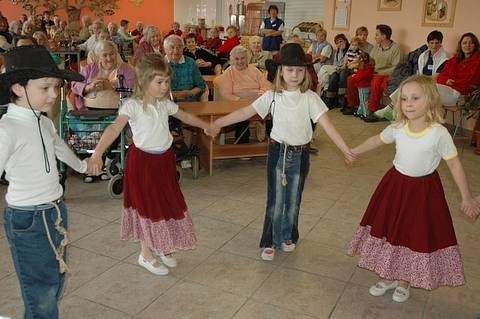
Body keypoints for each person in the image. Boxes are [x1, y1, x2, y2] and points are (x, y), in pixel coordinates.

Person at [212, 43, 356, 260]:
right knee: (276, 198)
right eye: (289, 69)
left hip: (301, 154)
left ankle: (288, 235)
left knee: (293, 198)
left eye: (299, 70)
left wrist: (346, 149)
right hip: (278, 152)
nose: (295, 74)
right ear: (280, 71)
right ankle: (269, 240)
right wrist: (219, 122)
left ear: (305, 72)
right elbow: (245, 111)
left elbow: (327, 124)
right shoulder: (272, 96)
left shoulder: (310, 98)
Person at [347, 74, 480, 303]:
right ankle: (388, 275)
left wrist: (466, 197)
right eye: (404, 98)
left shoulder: (439, 133)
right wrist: (356, 150)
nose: (408, 103)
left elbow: (455, 165)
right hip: (395, 187)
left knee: (412, 233)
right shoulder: (398, 127)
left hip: (423, 192)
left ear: (429, 100)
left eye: (415, 98)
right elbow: (377, 140)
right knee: (390, 229)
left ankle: (404, 280)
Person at [88, 53, 218, 275]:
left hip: (164, 161)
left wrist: (205, 125)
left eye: (167, 81)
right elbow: (113, 129)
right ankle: (145, 254)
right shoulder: (133, 106)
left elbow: (185, 117)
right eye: (159, 82)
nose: (164, 86)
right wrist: (97, 153)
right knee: (147, 207)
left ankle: (161, 246)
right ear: (143, 81)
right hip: (143, 164)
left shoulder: (164, 103)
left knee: (165, 203)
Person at [0, 45, 88, 319]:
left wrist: (83, 165)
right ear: (18, 88)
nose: (54, 94)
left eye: (57, 87)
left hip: (54, 211)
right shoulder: (8, 128)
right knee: (41, 291)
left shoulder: (43, 121)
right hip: (27, 218)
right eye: (45, 87)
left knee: (54, 280)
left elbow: (59, 147)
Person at [214, 45, 272, 144]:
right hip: (237, 104)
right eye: (237, 59)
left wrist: (262, 92)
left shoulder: (254, 70)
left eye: (243, 58)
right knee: (242, 117)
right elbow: (226, 94)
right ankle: (242, 143)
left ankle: (274, 143)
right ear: (232, 60)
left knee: (272, 114)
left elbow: (266, 85)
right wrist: (241, 102)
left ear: (247, 58)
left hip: (257, 103)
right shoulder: (229, 72)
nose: (240, 61)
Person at [363, 24, 401, 122]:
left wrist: (379, 73)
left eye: (376, 35)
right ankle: (372, 110)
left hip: (388, 75)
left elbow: (395, 67)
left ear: (383, 36)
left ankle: (373, 111)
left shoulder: (395, 48)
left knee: (378, 83)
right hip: (375, 73)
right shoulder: (376, 47)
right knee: (356, 78)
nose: (375, 37)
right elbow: (370, 62)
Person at [437, 32, 480, 106]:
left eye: (471, 43)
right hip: (448, 90)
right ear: (460, 45)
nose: (467, 45)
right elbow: (441, 76)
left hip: (463, 95)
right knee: (426, 88)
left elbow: (471, 83)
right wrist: (446, 80)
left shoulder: (478, 61)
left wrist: (452, 83)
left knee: (429, 93)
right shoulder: (453, 60)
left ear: (475, 45)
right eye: (464, 43)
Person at [164, 35, 206, 102]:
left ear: (183, 48)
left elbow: (201, 85)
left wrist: (189, 93)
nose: (176, 51)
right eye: (172, 47)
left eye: (179, 47)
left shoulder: (190, 63)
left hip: (189, 102)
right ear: (165, 49)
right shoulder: (160, 64)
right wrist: (171, 95)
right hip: (166, 104)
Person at [324, 36, 362, 108]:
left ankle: (342, 97)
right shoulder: (348, 51)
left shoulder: (359, 53)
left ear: (359, 46)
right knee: (334, 75)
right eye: (352, 45)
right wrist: (343, 66)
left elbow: (357, 62)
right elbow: (345, 60)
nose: (353, 47)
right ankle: (330, 100)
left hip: (353, 70)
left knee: (343, 73)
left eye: (356, 45)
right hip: (345, 68)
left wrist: (347, 66)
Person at [344, 52, 375, 117]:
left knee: (364, 101)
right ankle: (360, 112)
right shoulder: (367, 67)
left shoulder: (365, 67)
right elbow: (360, 73)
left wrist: (354, 76)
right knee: (362, 101)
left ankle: (366, 114)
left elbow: (360, 76)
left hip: (364, 87)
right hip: (363, 86)